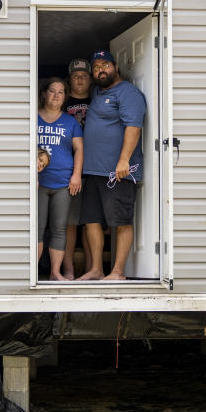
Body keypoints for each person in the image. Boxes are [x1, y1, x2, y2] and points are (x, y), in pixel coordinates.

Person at [76, 50, 146, 281]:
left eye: (105, 65)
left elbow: (133, 127)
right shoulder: (97, 92)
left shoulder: (128, 93)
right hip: (93, 170)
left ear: (116, 67)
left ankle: (117, 272)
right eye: (96, 68)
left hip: (117, 172)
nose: (100, 70)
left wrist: (124, 159)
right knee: (91, 220)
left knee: (120, 221)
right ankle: (97, 269)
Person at [36, 78, 83, 281]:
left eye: (61, 92)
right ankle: (33, 272)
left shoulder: (70, 121)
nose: (56, 95)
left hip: (63, 182)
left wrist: (76, 175)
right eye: (52, 91)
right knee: (36, 228)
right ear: (44, 94)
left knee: (59, 228)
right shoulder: (31, 118)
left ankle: (55, 272)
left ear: (65, 97)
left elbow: (79, 149)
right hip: (37, 182)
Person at [62, 58, 93, 279]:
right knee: (70, 222)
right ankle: (68, 268)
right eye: (75, 76)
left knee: (92, 221)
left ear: (90, 79)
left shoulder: (99, 99)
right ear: (69, 79)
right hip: (68, 168)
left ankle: (94, 269)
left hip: (95, 167)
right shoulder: (62, 103)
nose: (80, 79)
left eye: (83, 75)